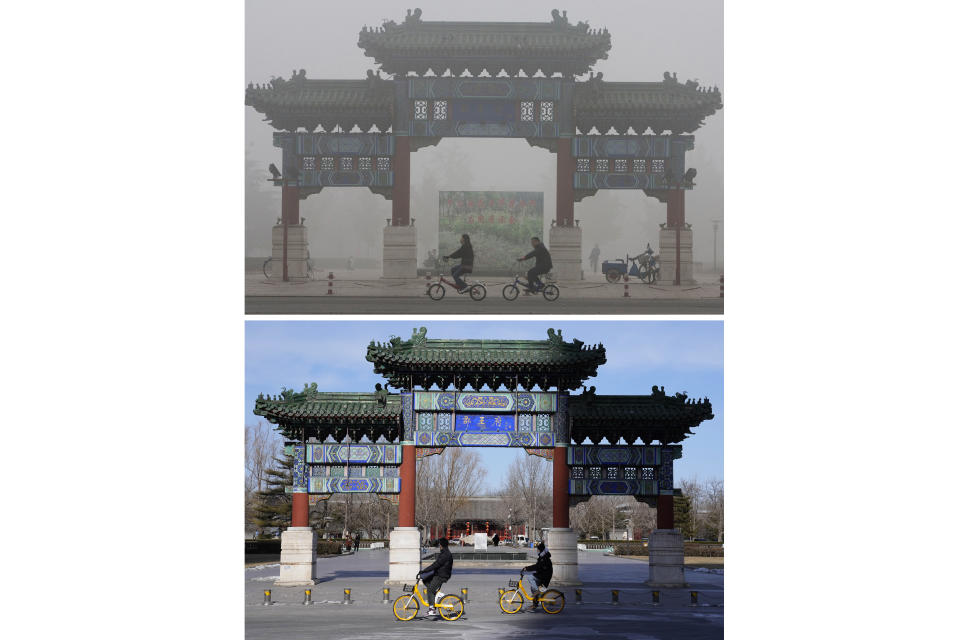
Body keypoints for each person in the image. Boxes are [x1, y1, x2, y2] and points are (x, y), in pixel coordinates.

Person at [417, 537, 453, 617]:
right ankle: (436, 593)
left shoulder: (445, 554)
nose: (438, 546)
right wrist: (425, 573)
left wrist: (424, 571)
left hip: (442, 575)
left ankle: (432, 610)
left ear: (441, 545)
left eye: (439, 544)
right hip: (439, 573)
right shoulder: (444, 552)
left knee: (429, 590)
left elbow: (436, 565)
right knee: (425, 580)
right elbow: (436, 564)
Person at [522, 541, 553, 611]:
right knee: (532, 588)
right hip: (542, 576)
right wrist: (528, 568)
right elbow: (539, 567)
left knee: (530, 577)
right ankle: (535, 604)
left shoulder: (544, 559)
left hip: (544, 579)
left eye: (537, 550)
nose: (537, 551)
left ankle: (538, 592)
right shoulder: (543, 557)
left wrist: (527, 568)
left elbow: (537, 567)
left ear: (541, 550)